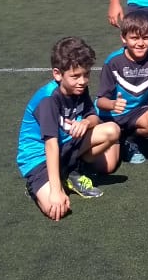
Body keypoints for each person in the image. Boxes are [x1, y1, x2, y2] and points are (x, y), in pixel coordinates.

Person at [16, 37, 120, 219]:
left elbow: (93, 116)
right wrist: (56, 191)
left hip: (66, 146)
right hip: (40, 158)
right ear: (57, 74)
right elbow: (50, 145)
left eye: (86, 74)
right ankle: (37, 186)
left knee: (112, 130)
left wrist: (85, 123)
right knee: (57, 209)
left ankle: (71, 170)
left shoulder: (80, 89)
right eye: (75, 76)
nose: (82, 81)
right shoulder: (48, 99)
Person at [95, 11, 148, 168]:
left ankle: (130, 139)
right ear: (124, 38)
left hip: (137, 113)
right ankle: (116, 138)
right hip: (111, 116)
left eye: (146, 38)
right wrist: (113, 104)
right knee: (106, 167)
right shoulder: (113, 62)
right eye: (134, 38)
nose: (140, 43)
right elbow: (101, 100)